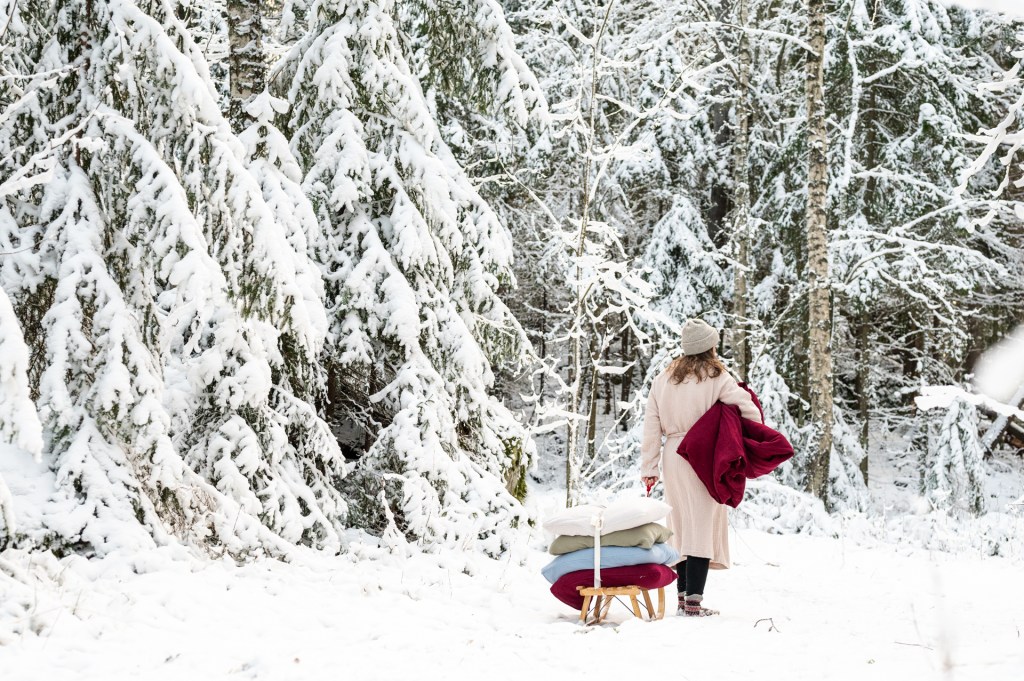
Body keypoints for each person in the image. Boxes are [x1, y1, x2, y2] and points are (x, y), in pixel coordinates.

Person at [640, 317, 761, 617]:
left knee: (679, 526)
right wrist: (748, 432)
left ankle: (683, 599)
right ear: (709, 347)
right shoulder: (715, 376)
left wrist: (649, 468)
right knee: (702, 526)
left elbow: (651, 427)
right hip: (703, 455)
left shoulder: (663, 379)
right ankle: (693, 602)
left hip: (673, 455)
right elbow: (747, 408)